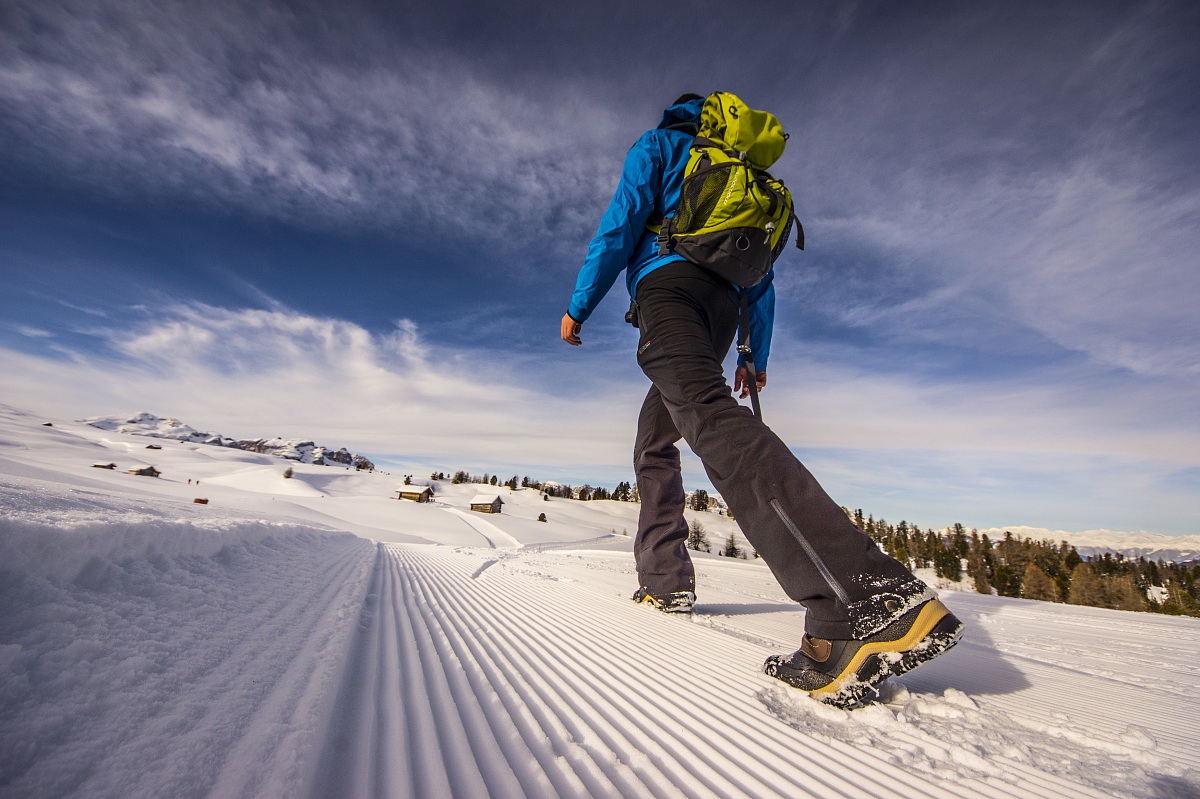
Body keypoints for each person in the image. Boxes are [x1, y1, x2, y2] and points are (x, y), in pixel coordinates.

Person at [561, 94, 963, 707]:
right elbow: (762, 281)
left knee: (709, 420)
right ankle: (665, 580)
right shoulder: (748, 179)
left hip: (668, 292)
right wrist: (753, 354)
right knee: (655, 437)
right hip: (722, 311)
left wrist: (579, 303)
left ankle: (864, 600)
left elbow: (621, 222)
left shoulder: (663, 146)